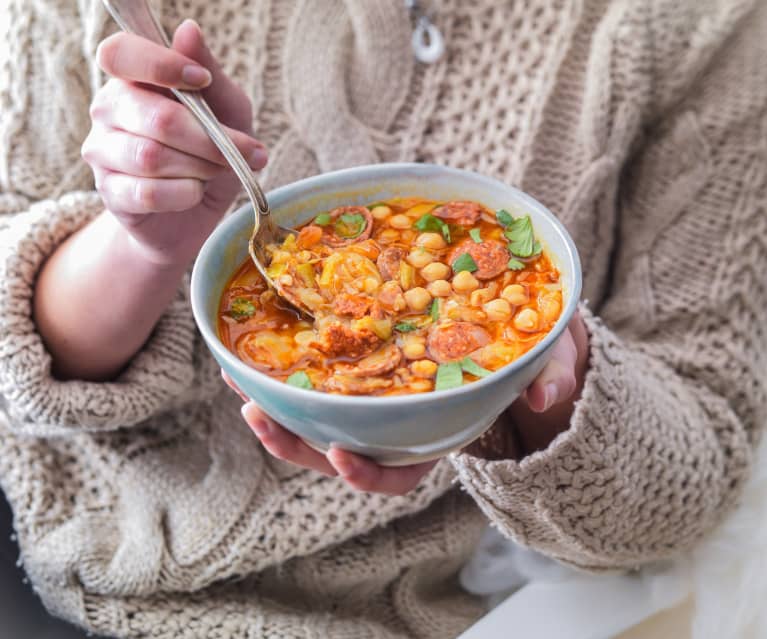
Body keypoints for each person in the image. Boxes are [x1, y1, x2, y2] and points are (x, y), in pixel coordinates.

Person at [0, 1, 764, 637]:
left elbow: (692, 481)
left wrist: (537, 384)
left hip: (430, 611)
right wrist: (140, 243)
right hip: (104, 566)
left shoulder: (706, 22)